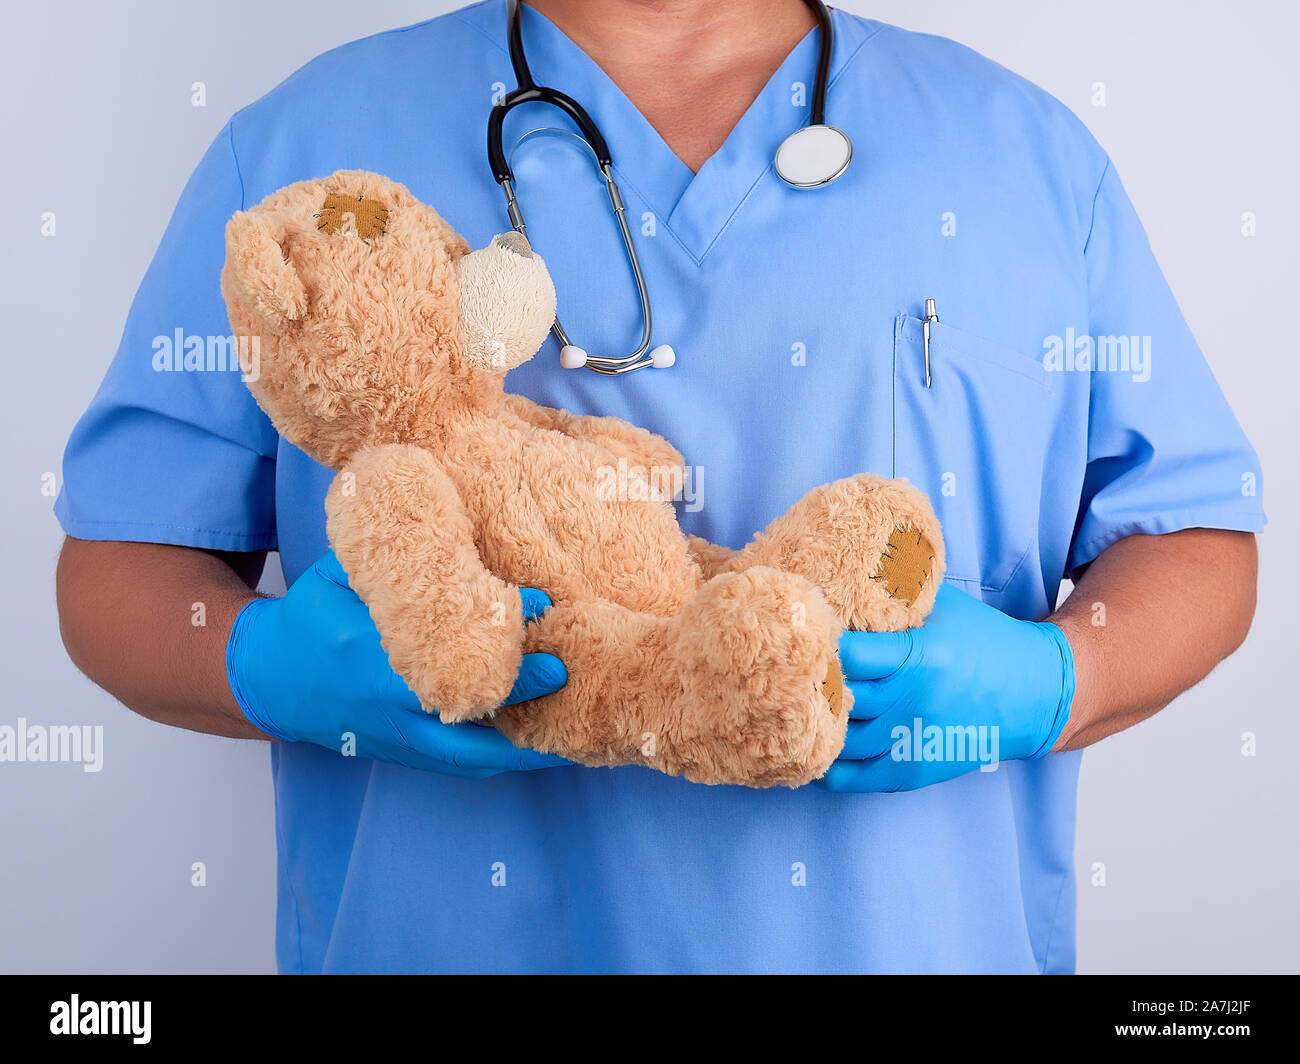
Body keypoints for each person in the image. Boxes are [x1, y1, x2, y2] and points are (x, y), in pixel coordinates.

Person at [54, 0, 1262, 974]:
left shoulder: (1026, 158)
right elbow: (118, 564)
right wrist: (269, 666)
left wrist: (1054, 678)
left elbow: (1199, 538)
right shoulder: (297, 152)